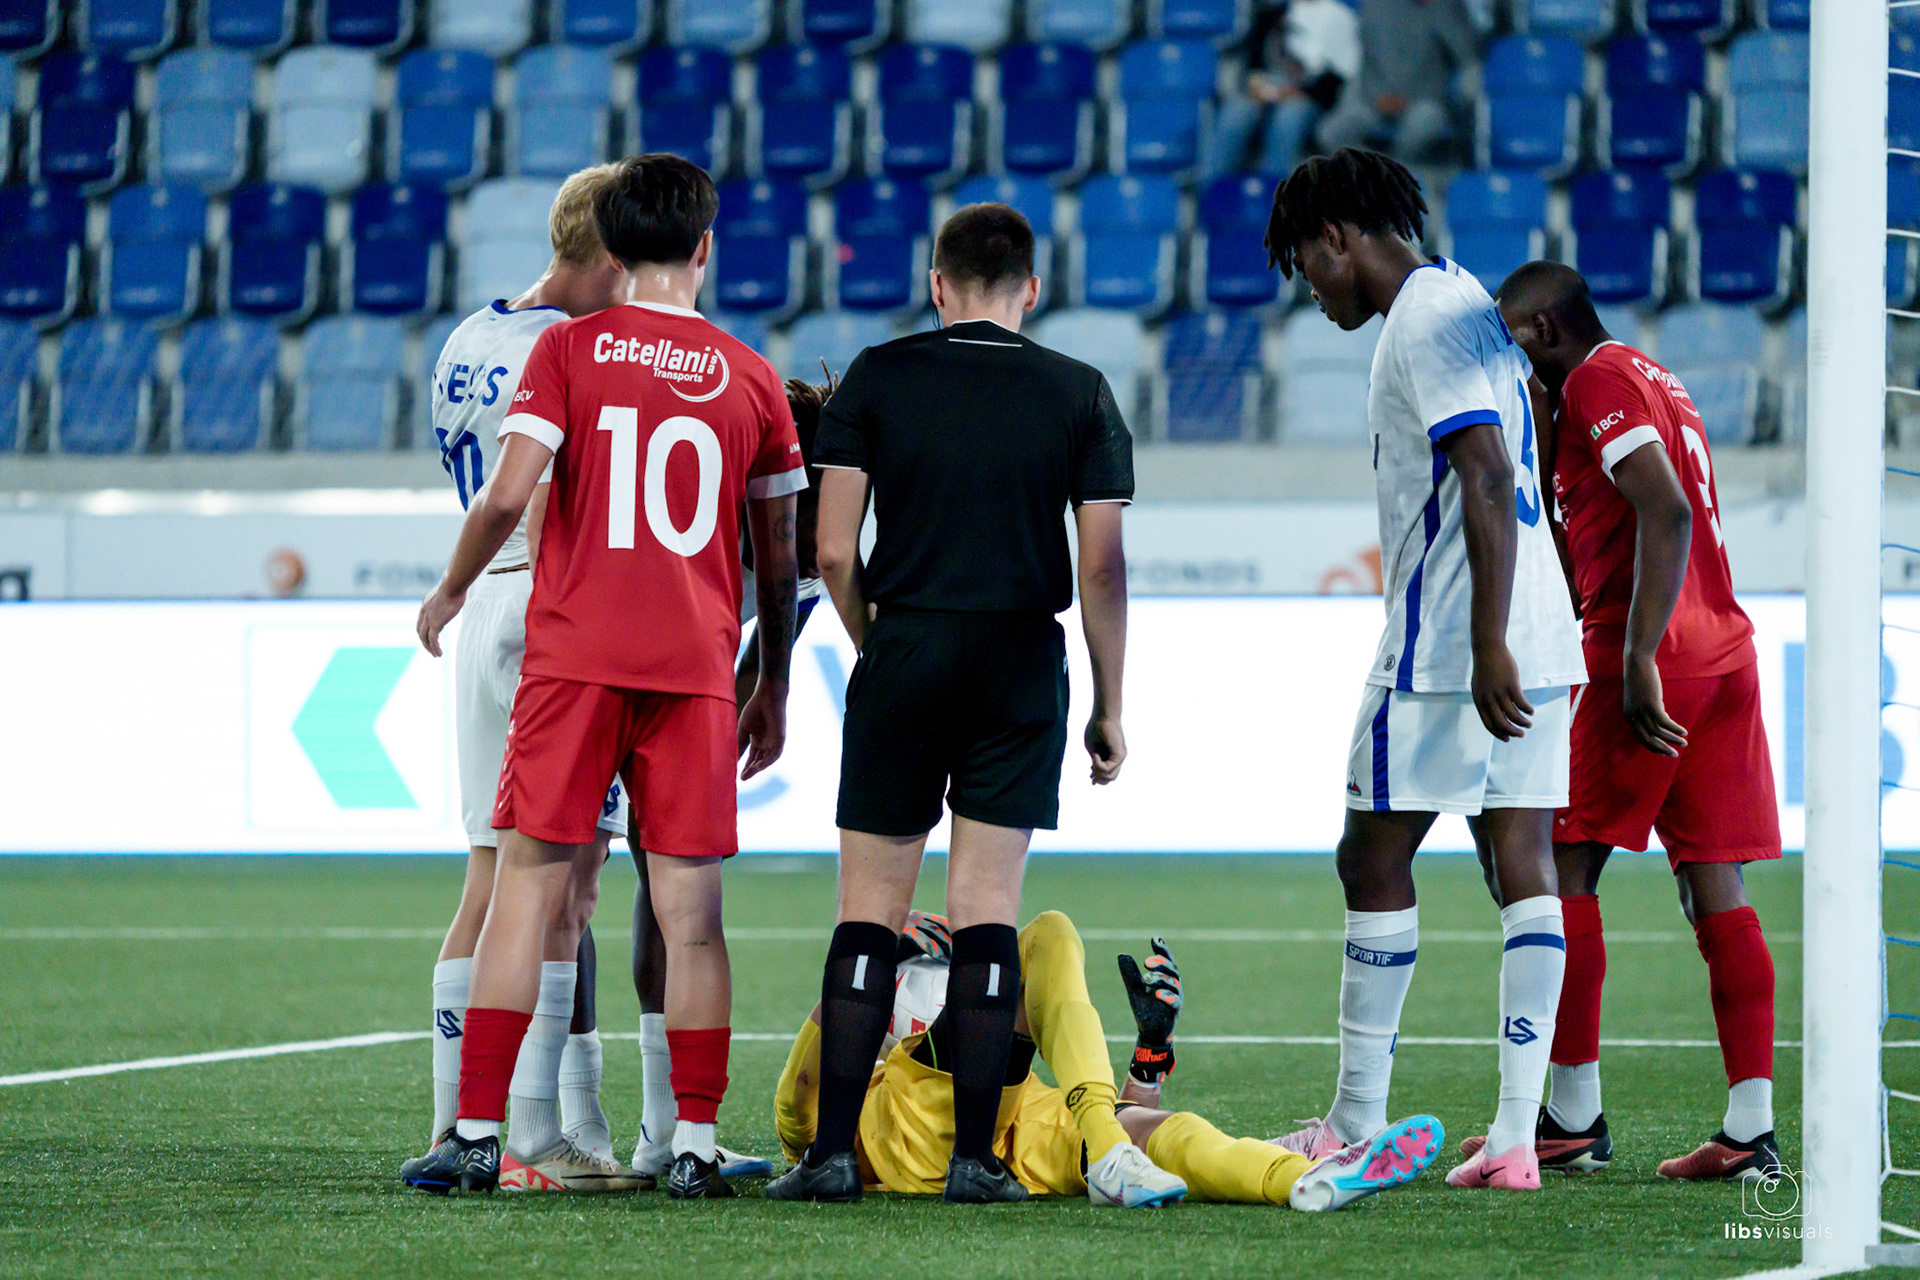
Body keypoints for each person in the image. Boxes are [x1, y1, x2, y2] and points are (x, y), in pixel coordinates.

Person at [404, 153, 806, 1200]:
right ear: (705, 247)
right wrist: (773, 683)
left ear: (614, 251)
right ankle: (694, 1141)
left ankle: (478, 1130)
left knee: (525, 891)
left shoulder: (568, 350)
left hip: (574, 659)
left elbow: (505, 496)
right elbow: (778, 555)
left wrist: (451, 588)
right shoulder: (752, 375)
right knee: (692, 913)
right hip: (690, 668)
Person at [764, 202, 1136, 1205]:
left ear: (937, 285)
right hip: (1020, 658)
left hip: (908, 645)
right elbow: (1103, 566)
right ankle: (976, 1159)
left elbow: (830, 548)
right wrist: (1109, 702)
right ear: (1032, 288)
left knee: (869, 912)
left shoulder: (878, 375)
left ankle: (829, 1155)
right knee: (985, 912)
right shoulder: (1079, 390)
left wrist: (875, 643)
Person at [1260, 149, 1586, 1191]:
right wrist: (1522, 628)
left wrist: (1486, 639)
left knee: (1370, 853)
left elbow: (1485, 475)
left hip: (1451, 643)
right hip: (1542, 630)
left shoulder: (1419, 321)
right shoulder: (1469, 301)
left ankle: (1356, 1119)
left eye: (1306, 265)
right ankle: (1517, 1137)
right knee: (1522, 860)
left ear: (1337, 237)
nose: (1311, 291)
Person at [1482, 261, 1783, 1182]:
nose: (1508, 356)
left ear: (1542, 330)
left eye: (1511, 338)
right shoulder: (1653, 374)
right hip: (1724, 652)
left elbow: (1667, 508)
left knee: (1557, 861)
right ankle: (1750, 1131)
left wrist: (1639, 654)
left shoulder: (1596, 381)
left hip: (1649, 657)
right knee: (1715, 886)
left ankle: (1573, 1116)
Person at [412, 161, 639, 1194]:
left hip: (485, 613)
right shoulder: (574, 351)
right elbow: (538, 494)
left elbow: (468, 475)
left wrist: (457, 588)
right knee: (562, 886)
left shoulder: (468, 337)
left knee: (490, 875)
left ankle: (461, 1126)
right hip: (552, 610)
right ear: (611, 256)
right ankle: (536, 1131)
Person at [771, 910, 1446, 1210]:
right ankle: (1110, 1151)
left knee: (1162, 1134)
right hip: (939, 1123)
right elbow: (793, 1111)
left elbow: (798, 1104)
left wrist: (1151, 1050)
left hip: (1022, 1142)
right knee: (1047, 935)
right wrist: (871, 959)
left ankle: (1302, 1180)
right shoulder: (879, 1089)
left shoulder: (871, 1102)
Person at [625, 374, 835, 1182]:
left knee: (665, 882)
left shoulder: (805, 555)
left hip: (671, 683)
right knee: (573, 888)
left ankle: (662, 1130)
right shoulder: (707, 523)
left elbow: (753, 667)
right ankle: (559, 1123)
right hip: (607, 667)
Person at [1210, 0, 1360, 176]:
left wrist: (1300, 92)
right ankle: (1212, 187)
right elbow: (1255, 61)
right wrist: (1257, 85)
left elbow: (1341, 75)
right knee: (1236, 110)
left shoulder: (1340, 17)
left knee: (1289, 117)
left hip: (1310, 96)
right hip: (1270, 88)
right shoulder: (1275, 12)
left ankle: (1275, 187)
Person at [1316, 0, 1478, 163]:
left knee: (1425, 122)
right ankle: (1375, 166)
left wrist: (1437, 9)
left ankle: (1396, 168)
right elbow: (1365, 59)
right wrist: (1377, 95)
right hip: (1377, 99)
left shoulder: (1446, 6)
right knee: (1330, 134)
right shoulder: (1374, 5)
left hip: (1424, 99)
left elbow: (1468, 54)